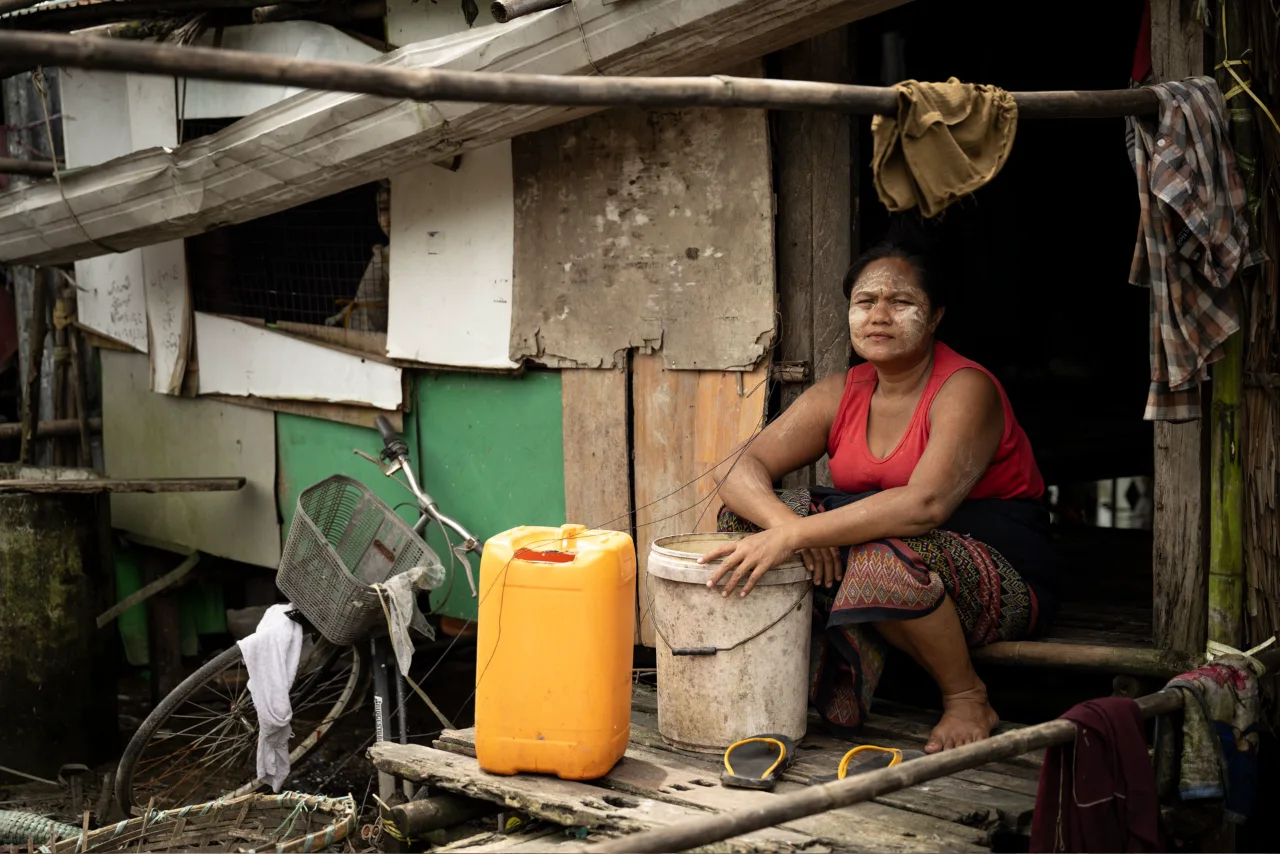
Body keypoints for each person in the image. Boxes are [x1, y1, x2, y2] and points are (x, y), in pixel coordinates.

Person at [702, 241, 1060, 753]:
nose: (880, 316)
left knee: (878, 560)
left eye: (902, 302)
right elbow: (739, 469)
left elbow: (925, 506)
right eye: (865, 302)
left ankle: (966, 696)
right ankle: (786, 675)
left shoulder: (966, 388)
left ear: (935, 316)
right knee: (743, 524)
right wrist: (786, 528)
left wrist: (797, 535)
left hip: (995, 567)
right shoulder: (842, 390)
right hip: (885, 545)